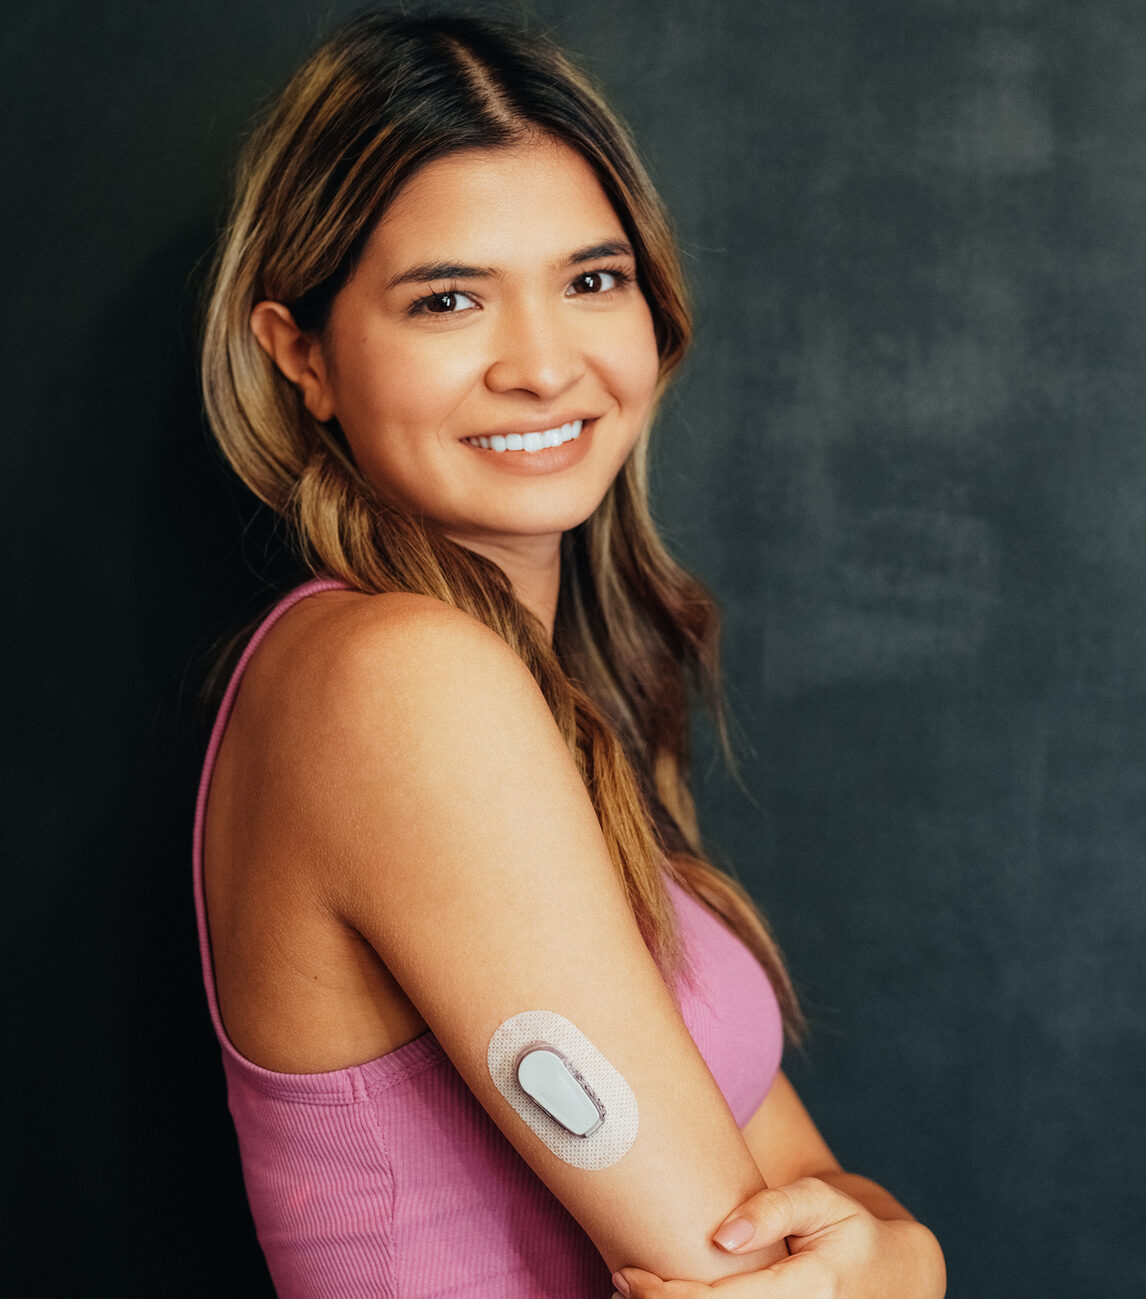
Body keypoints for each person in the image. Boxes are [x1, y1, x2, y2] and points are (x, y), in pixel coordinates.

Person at [195, 10, 946, 1297]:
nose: (544, 367)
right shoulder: (398, 682)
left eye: (592, 281)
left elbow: (812, 1206)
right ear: (300, 353)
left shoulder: (561, 706)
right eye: (447, 300)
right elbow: (731, 1270)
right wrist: (898, 1268)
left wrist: (897, 1255)